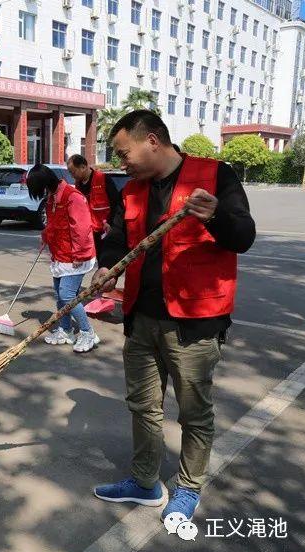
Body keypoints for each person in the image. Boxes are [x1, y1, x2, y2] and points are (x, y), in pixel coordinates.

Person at [91, 110, 255, 521]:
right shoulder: (131, 190)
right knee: (143, 405)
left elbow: (243, 237)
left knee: (194, 412)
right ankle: (145, 481)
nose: (121, 161)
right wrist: (105, 266)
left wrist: (215, 214)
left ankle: (188, 488)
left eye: (124, 152)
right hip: (141, 318)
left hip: (195, 323)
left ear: (152, 141)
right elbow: (114, 239)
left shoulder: (217, 175)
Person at [26, 164, 100, 353]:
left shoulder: (72, 197)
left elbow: (82, 229)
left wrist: (80, 255)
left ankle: (88, 332)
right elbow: (55, 224)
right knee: (60, 295)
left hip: (76, 256)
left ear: (44, 183)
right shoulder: (52, 197)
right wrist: (46, 236)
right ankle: (66, 330)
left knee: (68, 295)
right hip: (61, 254)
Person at [66, 154, 123, 255]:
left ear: (83, 167)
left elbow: (116, 203)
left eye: (73, 172)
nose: (72, 175)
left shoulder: (103, 179)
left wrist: (110, 222)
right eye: (70, 173)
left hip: (105, 229)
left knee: (106, 259)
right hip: (89, 231)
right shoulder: (78, 185)